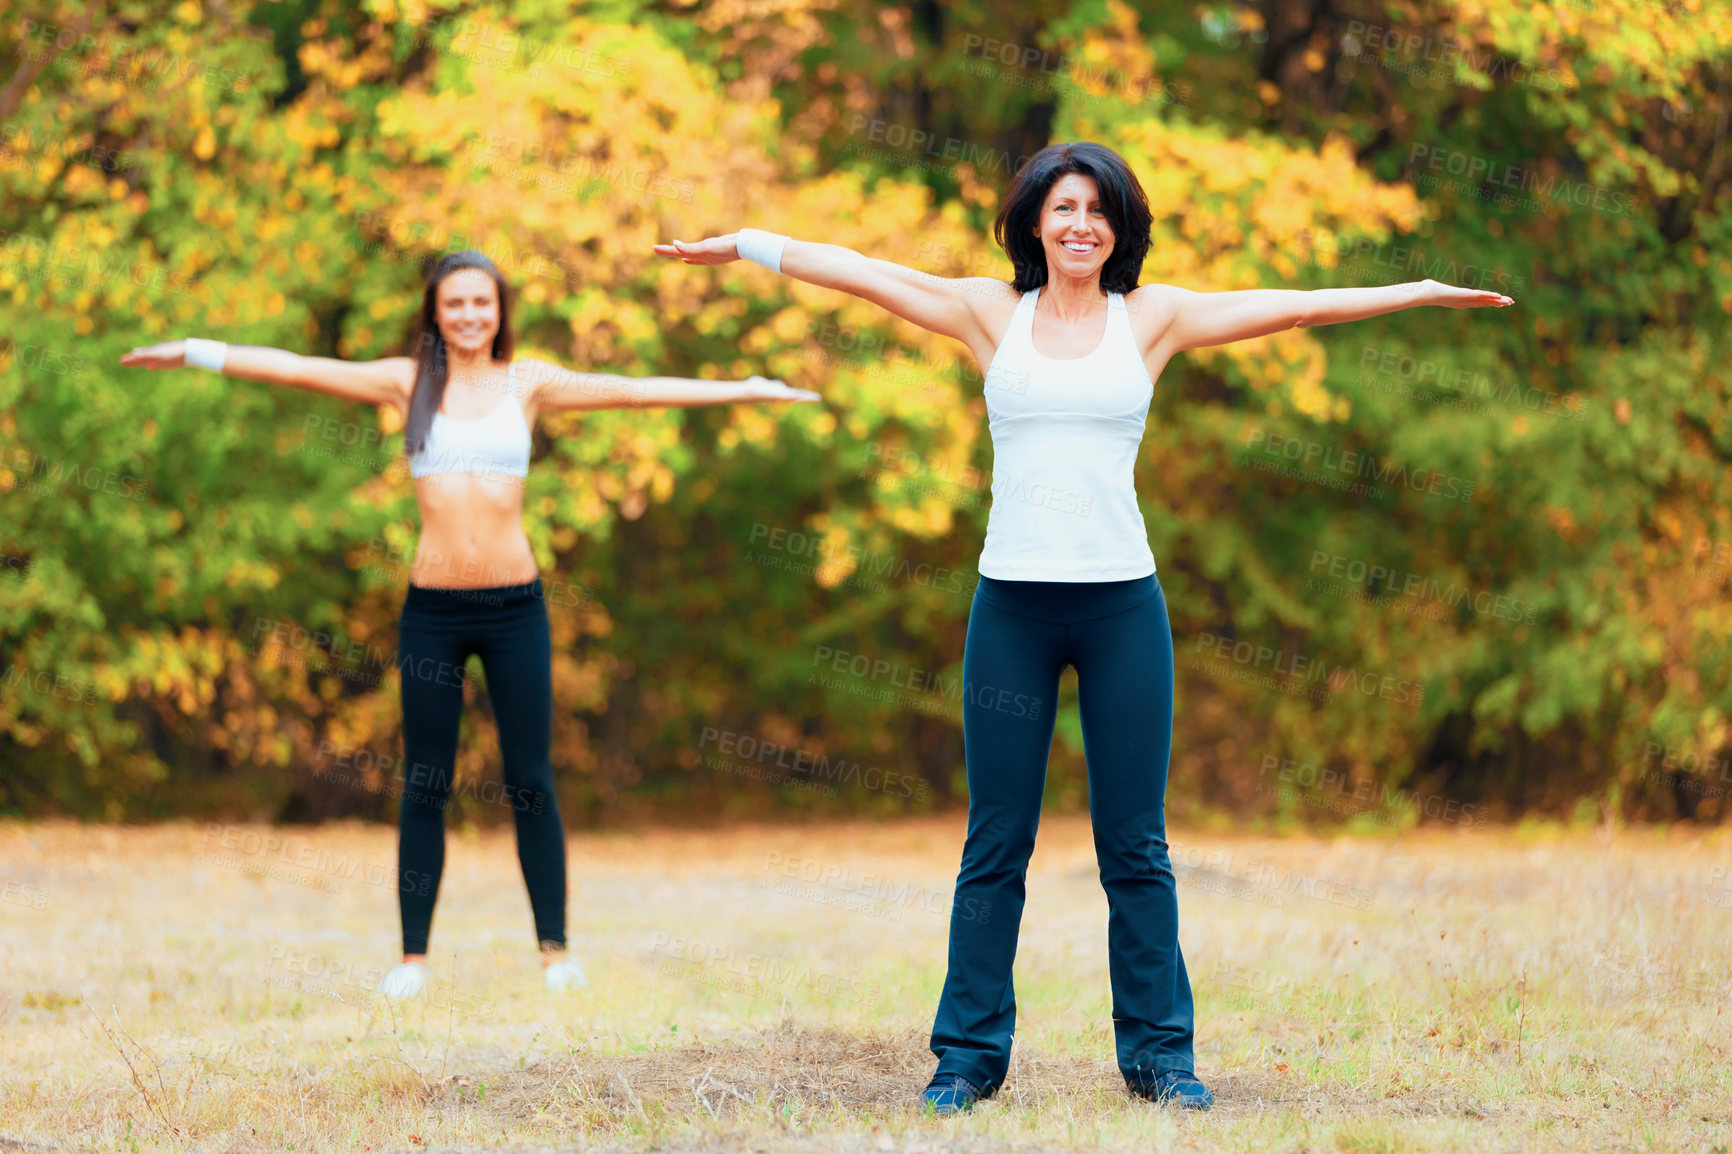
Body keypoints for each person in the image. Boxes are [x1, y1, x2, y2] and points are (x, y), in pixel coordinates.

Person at [655, 141, 1511, 1112]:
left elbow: (1298, 303)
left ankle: (1160, 1059)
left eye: (1096, 212)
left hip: (1120, 608)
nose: (1078, 225)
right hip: (1010, 608)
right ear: (1033, 221)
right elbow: (866, 275)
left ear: (1117, 229)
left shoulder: (1151, 318)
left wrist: (1422, 289)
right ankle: (967, 1058)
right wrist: (747, 247)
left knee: (1134, 845)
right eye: (1062, 208)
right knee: (995, 842)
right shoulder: (991, 313)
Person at [120, 249, 819, 998]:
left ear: (499, 310)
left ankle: (557, 955)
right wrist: (195, 351)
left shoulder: (531, 382)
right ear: (435, 312)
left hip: (516, 609)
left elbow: (635, 391)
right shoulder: (406, 381)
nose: (469, 316)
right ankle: (412, 959)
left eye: (481, 303)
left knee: (531, 782)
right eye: (454, 304)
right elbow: (296, 366)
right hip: (433, 615)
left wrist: (744, 389)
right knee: (425, 780)